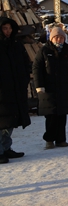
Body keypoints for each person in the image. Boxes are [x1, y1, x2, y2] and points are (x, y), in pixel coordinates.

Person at [32, 26, 68, 149]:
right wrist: (39, 85)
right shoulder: (44, 51)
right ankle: (49, 139)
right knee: (51, 116)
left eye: (61, 37)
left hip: (63, 88)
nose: (59, 39)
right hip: (48, 89)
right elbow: (37, 68)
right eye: (56, 37)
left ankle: (61, 139)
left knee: (62, 115)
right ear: (52, 38)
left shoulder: (67, 51)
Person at [0, 17, 31, 163]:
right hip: (2, 91)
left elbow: (25, 63)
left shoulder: (16, 45)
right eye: (5, 28)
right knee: (2, 123)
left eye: (9, 28)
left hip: (16, 90)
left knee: (11, 122)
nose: (8, 31)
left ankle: (6, 148)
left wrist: (24, 79)